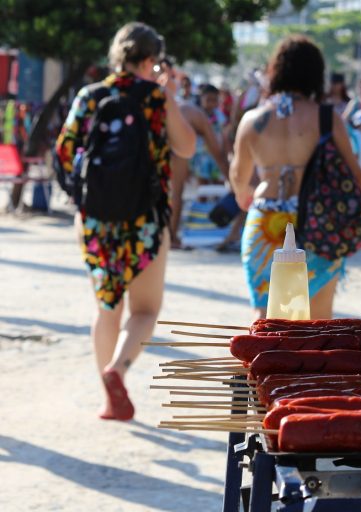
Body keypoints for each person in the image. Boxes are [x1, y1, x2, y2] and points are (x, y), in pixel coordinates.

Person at [55, 22, 195, 420]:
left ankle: (108, 397)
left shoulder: (91, 95)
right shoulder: (155, 97)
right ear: (151, 60)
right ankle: (118, 368)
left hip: (96, 222)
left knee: (106, 309)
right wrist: (168, 97)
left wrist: (84, 197)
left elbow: (63, 154)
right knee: (145, 310)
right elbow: (186, 146)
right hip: (144, 222)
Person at [230, 36, 361, 320]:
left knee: (266, 319)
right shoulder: (325, 117)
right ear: (315, 74)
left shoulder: (253, 119)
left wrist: (245, 197)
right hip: (318, 222)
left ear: (276, 71)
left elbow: (238, 177)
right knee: (318, 323)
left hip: (265, 221)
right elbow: (356, 173)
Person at [169, 101, 230, 250]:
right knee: (176, 193)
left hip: (167, 134)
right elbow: (218, 154)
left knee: (173, 193)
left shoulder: (188, 111)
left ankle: (170, 235)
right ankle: (171, 237)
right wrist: (233, 181)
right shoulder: (198, 117)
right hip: (177, 140)